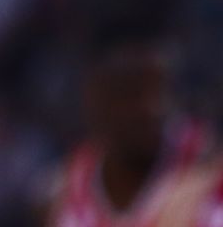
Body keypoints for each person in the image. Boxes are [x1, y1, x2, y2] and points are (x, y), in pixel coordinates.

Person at [48, 17, 223, 227]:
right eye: (132, 93)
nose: (150, 107)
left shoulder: (206, 169)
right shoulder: (67, 191)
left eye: (158, 90)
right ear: (95, 98)